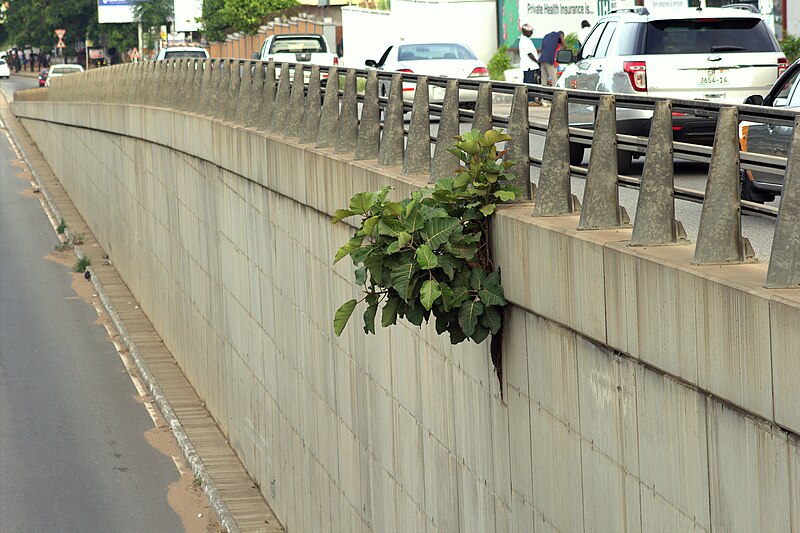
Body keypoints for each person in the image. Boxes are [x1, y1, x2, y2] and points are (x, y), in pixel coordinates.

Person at [518, 24, 541, 106]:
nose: (531, 33)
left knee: (532, 83)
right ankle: (529, 100)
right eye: (530, 31)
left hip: (531, 66)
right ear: (525, 31)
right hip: (529, 66)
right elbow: (529, 54)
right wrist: (537, 61)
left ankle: (531, 99)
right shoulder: (524, 41)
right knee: (529, 83)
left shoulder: (527, 40)